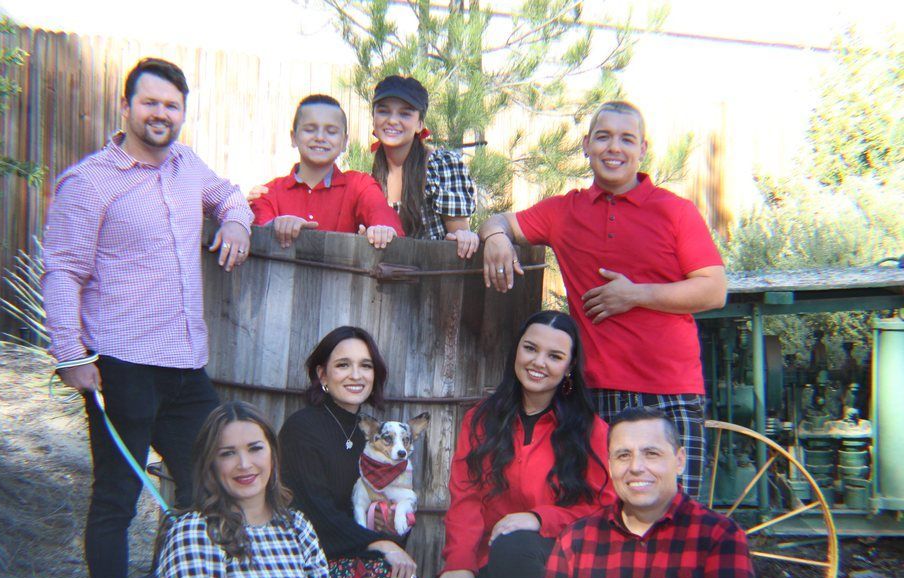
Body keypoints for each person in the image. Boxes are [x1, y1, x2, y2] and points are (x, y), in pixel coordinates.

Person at [42, 57, 252, 578]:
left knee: (213, 484)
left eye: (173, 105)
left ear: (183, 113)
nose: (161, 114)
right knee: (118, 498)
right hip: (123, 363)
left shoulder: (188, 165)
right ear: (127, 106)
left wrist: (236, 222)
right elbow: (62, 270)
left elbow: (230, 194)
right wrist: (71, 355)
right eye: (151, 102)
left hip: (187, 365)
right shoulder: (89, 181)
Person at [478, 100, 727, 499]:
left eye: (627, 139)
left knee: (675, 516)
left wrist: (637, 294)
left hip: (671, 388)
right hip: (598, 392)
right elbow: (498, 220)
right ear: (586, 146)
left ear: (643, 149)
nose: (615, 147)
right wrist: (494, 238)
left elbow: (714, 290)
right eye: (604, 137)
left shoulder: (675, 212)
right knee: (605, 513)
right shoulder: (563, 212)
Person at [431, 310, 616, 578]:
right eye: (530, 348)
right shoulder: (480, 420)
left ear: (569, 367)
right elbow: (466, 500)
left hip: (563, 565)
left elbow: (605, 510)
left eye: (555, 356)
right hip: (495, 564)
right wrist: (459, 565)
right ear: (516, 350)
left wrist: (539, 519)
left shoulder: (591, 431)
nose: (538, 362)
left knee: (514, 548)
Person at [526, 407, 759, 578]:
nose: (636, 467)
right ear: (610, 463)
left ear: (679, 460)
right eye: (623, 455)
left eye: (651, 454)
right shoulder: (576, 540)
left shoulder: (719, 536)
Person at [279, 326, 421, 578]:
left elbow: (392, 505)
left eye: (366, 365)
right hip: (307, 562)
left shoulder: (379, 440)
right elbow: (316, 515)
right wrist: (376, 544)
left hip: (356, 558)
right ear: (321, 374)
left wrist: (391, 531)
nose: (356, 375)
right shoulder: (302, 428)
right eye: (343, 365)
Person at [157, 401, 337, 578]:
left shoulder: (298, 528)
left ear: (273, 455)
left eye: (255, 449)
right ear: (211, 464)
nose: (244, 464)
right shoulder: (194, 531)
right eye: (227, 453)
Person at [251, 94, 404, 249]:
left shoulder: (359, 186)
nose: (320, 137)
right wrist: (275, 226)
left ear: (344, 142)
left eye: (331, 132)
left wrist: (382, 231)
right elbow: (256, 236)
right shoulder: (267, 194)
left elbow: (383, 216)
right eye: (310, 130)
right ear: (293, 137)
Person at [369, 75, 479, 258]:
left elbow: (460, 243)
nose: (392, 120)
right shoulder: (372, 177)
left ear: (420, 124)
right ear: (373, 118)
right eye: (383, 111)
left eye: (405, 113)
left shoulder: (441, 166)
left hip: (435, 277)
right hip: (385, 277)